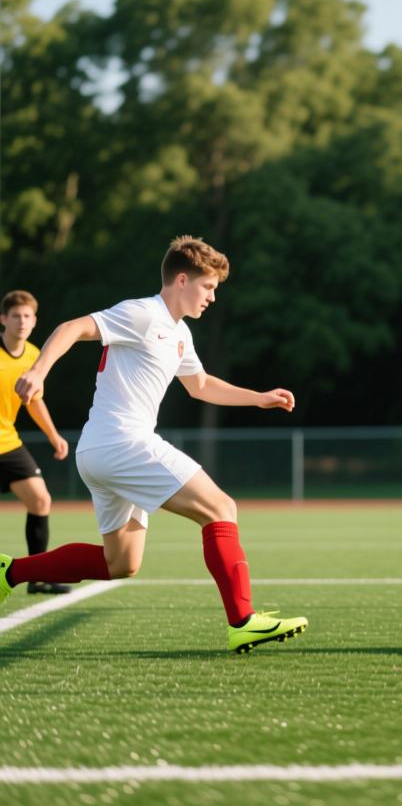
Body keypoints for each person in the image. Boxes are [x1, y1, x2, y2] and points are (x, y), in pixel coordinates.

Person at [6, 236, 308, 654]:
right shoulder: (144, 313)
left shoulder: (179, 333)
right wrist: (38, 372)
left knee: (121, 563)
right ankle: (243, 621)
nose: (213, 297)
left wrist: (259, 397)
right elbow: (73, 327)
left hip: (100, 451)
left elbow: (200, 386)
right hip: (122, 442)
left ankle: (10, 571)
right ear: (181, 280)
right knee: (221, 508)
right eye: (208, 286)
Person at [0, 290, 72, 595]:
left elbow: (33, 402)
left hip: (7, 443)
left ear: (35, 321)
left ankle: (37, 577)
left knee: (40, 500)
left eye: (27, 316)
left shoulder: (33, 355)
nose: (21, 321)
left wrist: (54, 436)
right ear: (3, 319)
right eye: (15, 316)